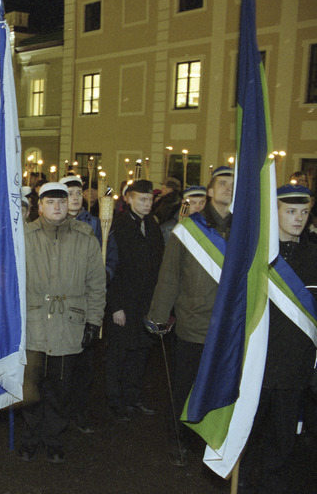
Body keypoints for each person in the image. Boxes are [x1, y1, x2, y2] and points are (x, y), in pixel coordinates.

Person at [146, 166, 234, 465]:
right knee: (186, 386)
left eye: (233, 184)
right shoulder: (189, 229)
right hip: (193, 322)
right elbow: (169, 276)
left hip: (230, 328)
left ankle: (211, 437)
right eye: (223, 183)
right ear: (210, 190)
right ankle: (179, 439)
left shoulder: (243, 231)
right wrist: (158, 315)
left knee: (222, 385)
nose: (228, 188)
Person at [237, 184, 317, 492]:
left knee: (283, 441)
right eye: (291, 212)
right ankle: (242, 482)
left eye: (304, 212)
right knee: (250, 434)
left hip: (296, 367)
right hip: (259, 364)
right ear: (276, 213)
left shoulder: (314, 256)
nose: (299, 219)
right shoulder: (258, 257)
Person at [19, 182, 106, 462]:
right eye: (50, 202)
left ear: (68, 205)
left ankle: (53, 438)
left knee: (60, 388)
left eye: (61, 202)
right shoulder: (25, 236)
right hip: (33, 325)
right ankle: (31, 437)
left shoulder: (85, 237)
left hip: (69, 325)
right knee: (31, 388)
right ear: (39, 206)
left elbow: (96, 283)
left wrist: (93, 321)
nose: (57, 207)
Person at [59, 175, 116, 434]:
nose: (74, 198)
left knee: (84, 364)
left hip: (84, 303)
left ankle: (80, 411)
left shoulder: (96, 224)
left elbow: (111, 256)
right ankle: (59, 411)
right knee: (61, 364)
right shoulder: (54, 223)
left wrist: (105, 273)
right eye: (69, 193)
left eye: (78, 193)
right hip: (60, 304)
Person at [104, 179, 164, 422]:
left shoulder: (152, 225)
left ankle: (133, 397)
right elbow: (112, 268)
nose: (147, 204)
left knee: (140, 352)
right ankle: (115, 400)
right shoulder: (117, 227)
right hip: (123, 303)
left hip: (145, 303)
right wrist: (115, 305)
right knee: (118, 354)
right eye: (142, 199)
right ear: (128, 199)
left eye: (150, 200)